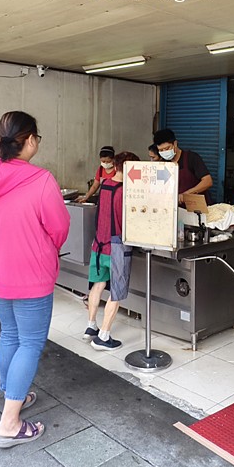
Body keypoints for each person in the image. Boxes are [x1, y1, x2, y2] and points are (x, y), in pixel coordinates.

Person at [0, 111, 70, 447]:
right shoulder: (41, 180)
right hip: (32, 274)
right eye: (38, 137)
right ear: (29, 140)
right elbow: (59, 228)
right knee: (30, 343)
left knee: (10, 334)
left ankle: (11, 394)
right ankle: (10, 423)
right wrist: (45, 249)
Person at [83, 150, 140, 350]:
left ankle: (91, 326)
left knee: (97, 285)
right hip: (117, 248)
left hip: (98, 244)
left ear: (115, 166)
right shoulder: (127, 192)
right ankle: (104, 337)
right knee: (116, 292)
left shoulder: (105, 185)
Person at [153, 129, 213, 201]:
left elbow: (207, 181)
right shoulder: (163, 164)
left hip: (194, 206)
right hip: (175, 206)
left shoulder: (192, 158)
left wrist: (187, 193)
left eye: (167, 148)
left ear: (175, 143)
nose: (164, 152)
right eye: (161, 150)